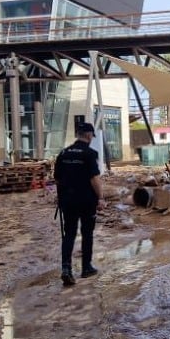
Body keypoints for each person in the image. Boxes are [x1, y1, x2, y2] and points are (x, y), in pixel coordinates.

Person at [54, 121, 104, 286]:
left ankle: (66, 269)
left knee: (69, 234)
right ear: (89, 135)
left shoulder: (63, 153)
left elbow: (57, 179)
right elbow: (94, 179)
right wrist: (101, 197)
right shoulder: (90, 154)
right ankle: (86, 268)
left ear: (77, 135)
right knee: (87, 233)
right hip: (86, 201)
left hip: (67, 201)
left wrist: (62, 196)